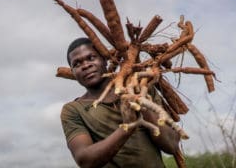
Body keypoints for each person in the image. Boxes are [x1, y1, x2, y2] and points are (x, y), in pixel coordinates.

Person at [60, 37, 180, 168]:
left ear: (105, 59)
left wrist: (144, 106)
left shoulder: (140, 86)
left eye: (91, 58)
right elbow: (85, 160)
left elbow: (172, 145)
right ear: (72, 72)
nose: (86, 65)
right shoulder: (74, 110)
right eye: (77, 64)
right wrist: (128, 127)